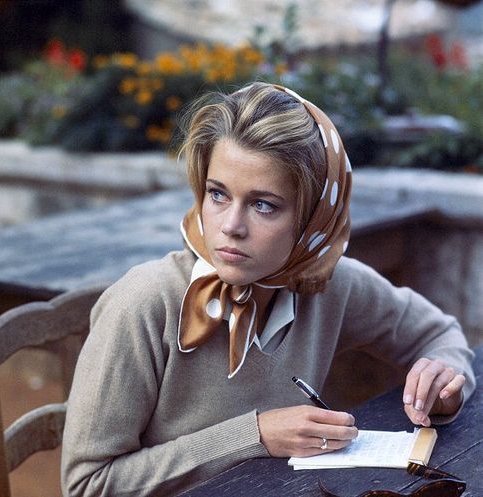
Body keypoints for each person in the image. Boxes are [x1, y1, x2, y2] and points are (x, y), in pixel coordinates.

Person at [61, 82, 475, 497]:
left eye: (263, 205)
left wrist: (444, 383)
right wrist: (254, 435)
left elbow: (439, 334)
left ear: (313, 219)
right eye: (217, 194)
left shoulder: (327, 284)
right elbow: (87, 485)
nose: (230, 226)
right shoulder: (145, 303)